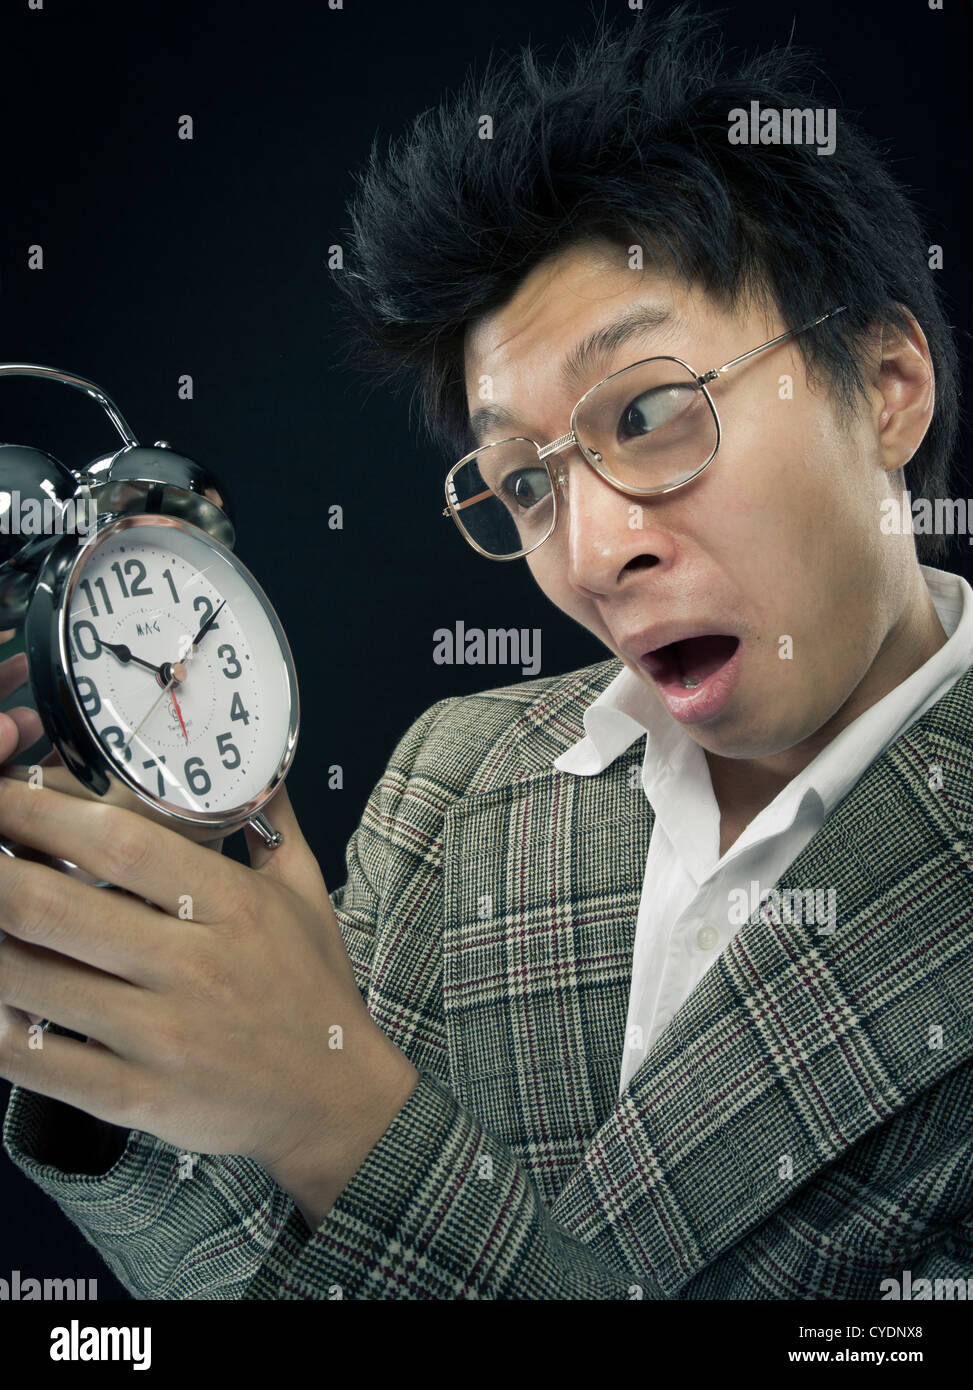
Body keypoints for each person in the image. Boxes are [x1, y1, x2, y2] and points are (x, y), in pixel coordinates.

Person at [2, 4, 972, 1300]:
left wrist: (335, 1110)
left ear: (887, 385)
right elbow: (289, 1279)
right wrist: (115, 1000)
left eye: (644, 412)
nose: (587, 554)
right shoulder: (452, 777)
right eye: (522, 484)